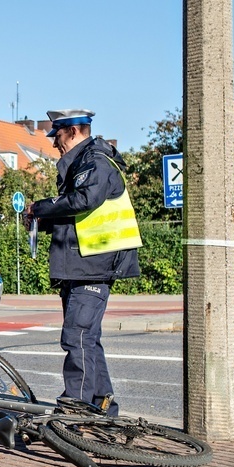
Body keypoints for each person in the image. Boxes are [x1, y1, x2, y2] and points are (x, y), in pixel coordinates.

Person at [26, 109, 141, 416]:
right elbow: (78, 215)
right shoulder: (82, 162)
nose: (54, 144)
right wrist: (43, 220)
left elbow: (85, 200)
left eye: (57, 136)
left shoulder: (95, 162)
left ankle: (74, 411)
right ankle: (103, 407)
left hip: (95, 264)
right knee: (88, 339)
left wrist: (41, 207)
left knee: (76, 336)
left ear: (74, 132)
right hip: (82, 264)